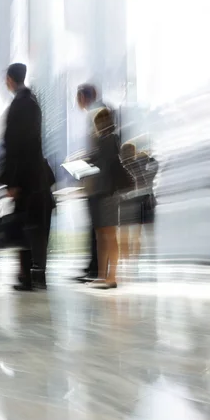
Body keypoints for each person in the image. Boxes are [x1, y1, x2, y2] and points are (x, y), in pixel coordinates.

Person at [0, 63, 49, 290]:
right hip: (36, 175)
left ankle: (26, 276)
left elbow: (14, 146)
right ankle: (35, 274)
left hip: (23, 177)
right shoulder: (34, 103)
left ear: (10, 79)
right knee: (34, 226)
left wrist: (12, 181)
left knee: (23, 225)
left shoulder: (18, 106)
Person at [85, 107, 121, 289]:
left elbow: (105, 167)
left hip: (107, 192)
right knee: (101, 236)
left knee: (109, 235)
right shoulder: (102, 141)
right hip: (99, 193)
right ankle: (102, 275)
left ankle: (111, 277)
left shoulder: (109, 140)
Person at [75, 83, 106, 282]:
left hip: (98, 181)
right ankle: (93, 267)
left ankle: (96, 269)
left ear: (83, 97)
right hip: (98, 180)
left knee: (97, 226)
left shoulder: (95, 114)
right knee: (96, 227)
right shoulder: (100, 112)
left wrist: (82, 160)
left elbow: (99, 149)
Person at [15, 159, 56, 290]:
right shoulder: (42, 160)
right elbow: (52, 180)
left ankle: (26, 276)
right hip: (44, 201)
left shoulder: (20, 161)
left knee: (25, 239)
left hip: (27, 202)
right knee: (41, 239)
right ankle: (39, 277)